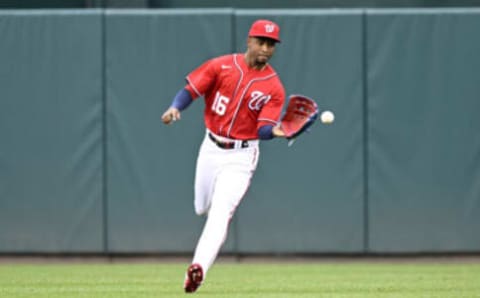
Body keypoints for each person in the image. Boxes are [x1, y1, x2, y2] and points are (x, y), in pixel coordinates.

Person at [161, 19, 287, 293]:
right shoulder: (221, 65)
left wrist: (278, 132)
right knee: (201, 207)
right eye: (261, 42)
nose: (266, 48)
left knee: (219, 214)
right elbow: (191, 90)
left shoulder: (273, 86)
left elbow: (263, 129)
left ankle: (198, 270)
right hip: (210, 148)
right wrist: (174, 107)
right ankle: (201, 251)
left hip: (241, 158)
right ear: (249, 41)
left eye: (271, 44)